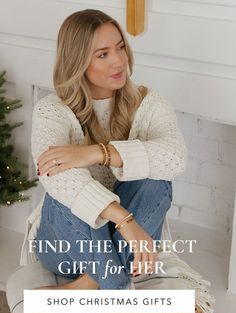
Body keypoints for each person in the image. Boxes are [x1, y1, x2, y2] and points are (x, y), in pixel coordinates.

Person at [31, 9, 187, 290]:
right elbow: (54, 174)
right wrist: (124, 220)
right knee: (60, 195)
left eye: (120, 47)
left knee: (156, 181)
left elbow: (175, 157)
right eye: (102, 54)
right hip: (66, 247)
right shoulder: (51, 111)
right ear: (77, 61)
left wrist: (97, 152)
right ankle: (116, 287)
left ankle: (90, 283)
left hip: (124, 247)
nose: (119, 61)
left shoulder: (149, 103)